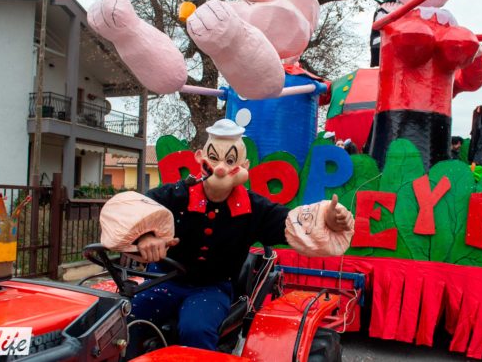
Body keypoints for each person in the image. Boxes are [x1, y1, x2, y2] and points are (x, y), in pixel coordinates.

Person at [119, 119, 354, 355]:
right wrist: (146, 235)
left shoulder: (253, 208)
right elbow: (139, 207)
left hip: (211, 288)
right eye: (214, 158)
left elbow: (291, 222)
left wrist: (327, 220)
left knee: (196, 329)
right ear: (200, 157)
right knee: (122, 319)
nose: (221, 168)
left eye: (230, 160)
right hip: (163, 281)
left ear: (244, 165)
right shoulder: (176, 195)